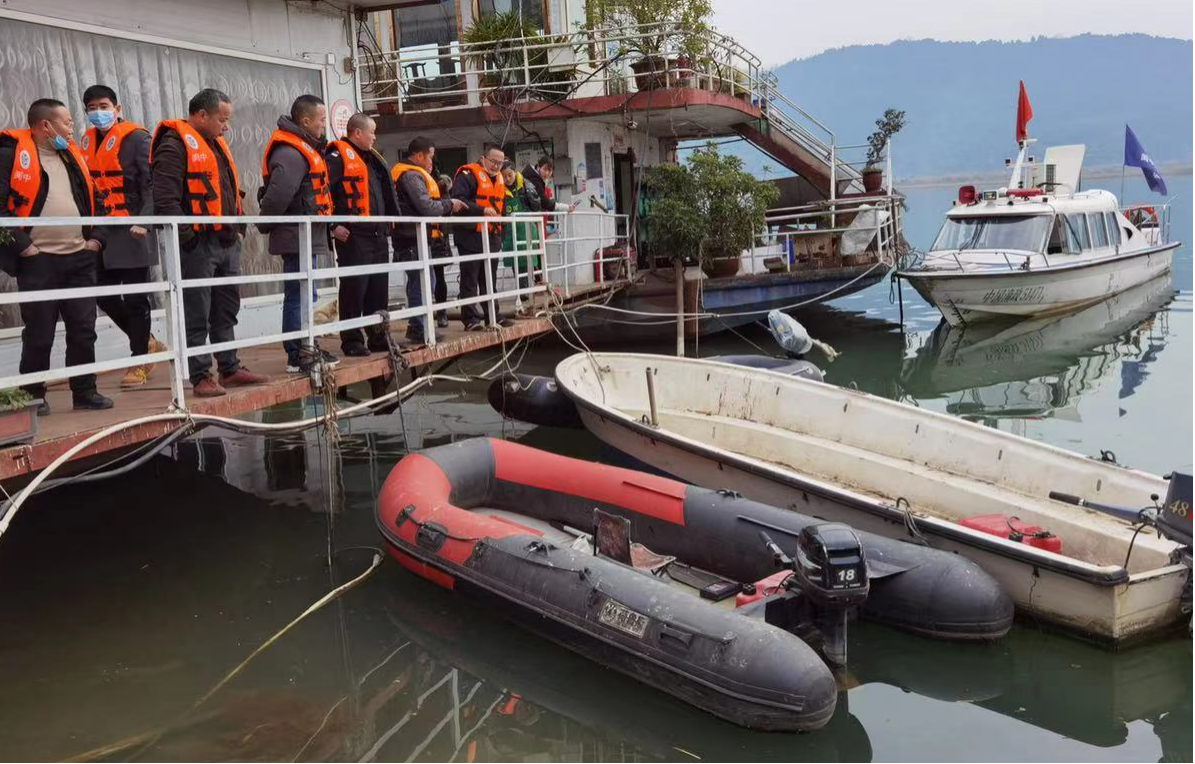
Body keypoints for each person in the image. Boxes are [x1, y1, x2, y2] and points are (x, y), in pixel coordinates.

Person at [151, 88, 266, 397]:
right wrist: (188, 238)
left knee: (226, 308)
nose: (226, 127)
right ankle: (201, 374)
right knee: (196, 311)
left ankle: (229, 368)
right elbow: (165, 200)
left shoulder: (214, 144)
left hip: (227, 240)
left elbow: (228, 190)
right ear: (201, 115)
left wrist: (239, 230)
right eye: (222, 120)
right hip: (198, 244)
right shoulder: (173, 145)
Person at [0, 99, 111, 414]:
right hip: (38, 260)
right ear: (46, 125)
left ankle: (85, 392)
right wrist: (23, 246)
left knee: (83, 330)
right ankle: (33, 395)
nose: (73, 128)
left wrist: (97, 240)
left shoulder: (71, 156)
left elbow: (97, 199)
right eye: (67, 122)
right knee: (39, 332)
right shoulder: (10, 154)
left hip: (79, 257)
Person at [80, 84, 167, 389]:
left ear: (117, 109)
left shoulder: (137, 138)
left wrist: (145, 220)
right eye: (92, 108)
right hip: (101, 230)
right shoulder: (86, 141)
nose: (98, 113)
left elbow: (155, 183)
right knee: (102, 294)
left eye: (103, 106)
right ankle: (148, 342)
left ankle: (138, 360)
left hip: (132, 229)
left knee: (135, 298)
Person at [257, 94, 338, 373]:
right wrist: (264, 224)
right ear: (305, 121)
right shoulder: (291, 152)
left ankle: (306, 346)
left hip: (306, 236)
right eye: (322, 120)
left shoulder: (301, 148)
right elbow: (278, 195)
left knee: (305, 293)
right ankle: (297, 354)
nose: (324, 125)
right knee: (299, 295)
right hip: (297, 236)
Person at [325, 113, 400, 356]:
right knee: (354, 289)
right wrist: (332, 225)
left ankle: (377, 337)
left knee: (378, 289)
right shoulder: (337, 157)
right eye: (372, 132)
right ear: (357, 133)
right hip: (354, 236)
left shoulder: (371, 159)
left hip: (378, 234)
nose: (375, 137)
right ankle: (352, 341)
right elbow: (324, 193)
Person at [392, 136, 464, 344]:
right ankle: (418, 328)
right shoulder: (411, 176)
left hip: (413, 238)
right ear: (419, 156)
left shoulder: (409, 173)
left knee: (422, 282)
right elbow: (426, 207)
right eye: (430, 157)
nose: (432, 162)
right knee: (423, 283)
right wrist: (450, 204)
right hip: (411, 238)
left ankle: (417, 325)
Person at [451, 143, 511, 331]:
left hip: (492, 236)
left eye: (500, 163)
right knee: (470, 279)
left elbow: (502, 209)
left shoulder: (499, 179)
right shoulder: (467, 175)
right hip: (470, 235)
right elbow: (459, 201)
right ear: (483, 158)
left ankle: (493, 315)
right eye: (493, 161)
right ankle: (470, 319)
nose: (496, 166)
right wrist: (481, 210)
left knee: (489, 279)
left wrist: (501, 235)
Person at [499, 162, 542, 316]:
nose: (507, 179)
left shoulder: (525, 185)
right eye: (504, 176)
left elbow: (536, 205)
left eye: (509, 175)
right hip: (510, 231)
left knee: (527, 260)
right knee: (514, 260)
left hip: (526, 228)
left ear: (515, 172)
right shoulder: (500, 188)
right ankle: (521, 289)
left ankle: (527, 289)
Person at [431, 174, 453, 329]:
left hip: (438, 239)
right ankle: (421, 318)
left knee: (439, 277)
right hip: (421, 237)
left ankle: (441, 313)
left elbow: (447, 210)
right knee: (419, 279)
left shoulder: (443, 191)